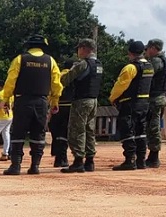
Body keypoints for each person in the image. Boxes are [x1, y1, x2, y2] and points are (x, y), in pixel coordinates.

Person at [1, 34, 63, 175]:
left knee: (18, 133)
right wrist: (55, 101)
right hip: (41, 102)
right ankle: (35, 166)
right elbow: (56, 84)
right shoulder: (50, 61)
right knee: (38, 133)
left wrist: (5, 99)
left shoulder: (20, 59)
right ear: (43, 47)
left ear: (28, 46)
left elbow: (10, 82)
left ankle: (15, 166)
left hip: (23, 101)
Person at [110, 40, 154, 171]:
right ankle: (141, 161)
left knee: (127, 130)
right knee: (141, 132)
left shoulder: (130, 68)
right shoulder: (150, 67)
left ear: (130, 53)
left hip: (130, 103)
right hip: (144, 103)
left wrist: (112, 97)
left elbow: (121, 85)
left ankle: (130, 160)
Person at [61, 38, 103, 173]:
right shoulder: (98, 64)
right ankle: (90, 161)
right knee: (90, 130)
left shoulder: (82, 64)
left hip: (81, 101)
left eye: (79, 48)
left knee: (77, 130)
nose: (78, 51)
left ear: (84, 48)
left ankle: (78, 161)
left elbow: (65, 80)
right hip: (94, 100)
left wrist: (66, 72)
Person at [144, 39, 166, 168]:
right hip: (160, 98)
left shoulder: (156, 61)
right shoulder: (164, 61)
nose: (146, 51)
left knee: (153, 127)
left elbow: (146, 77)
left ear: (153, 48)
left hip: (154, 98)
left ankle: (154, 157)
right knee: (153, 126)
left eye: (147, 49)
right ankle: (152, 156)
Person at [49, 60, 74, 168]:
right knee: (64, 133)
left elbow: (52, 91)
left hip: (57, 106)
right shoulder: (73, 76)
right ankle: (62, 157)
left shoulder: (58, 75)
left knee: (57, 133)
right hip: (70, 107)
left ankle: (58, 157)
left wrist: (51, 105)